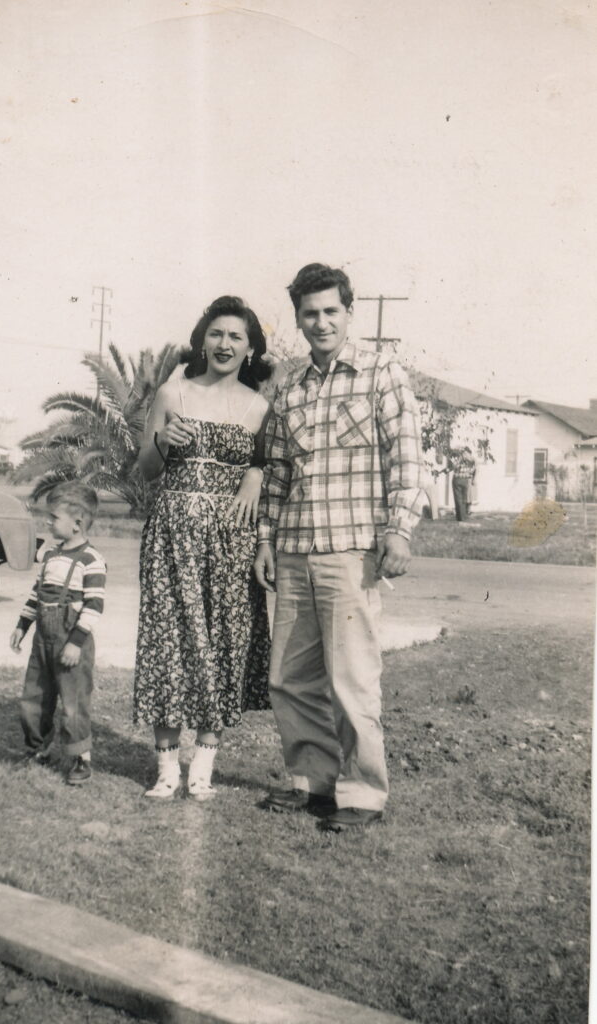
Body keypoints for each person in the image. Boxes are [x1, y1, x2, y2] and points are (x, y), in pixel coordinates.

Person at [254, 263, 426, 832]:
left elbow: (406, 459)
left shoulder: (383, 375)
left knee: (351, 679)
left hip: (352, 553)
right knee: (289, 677)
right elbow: (277, 471)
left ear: (349, 312)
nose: (321, 322)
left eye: (331, 311)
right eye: (310, 313)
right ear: (298, 319)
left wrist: (398, 529)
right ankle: (312, 781)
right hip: (295, 549)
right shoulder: (290, 383)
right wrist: (266, 541)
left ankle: (362, 794)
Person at [134, 295, 271, 801]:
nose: (225, 344)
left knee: (224, 644)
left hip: (231, 543)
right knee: (166, 642)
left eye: (237, 336)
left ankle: (204, 766)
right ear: (202, 339)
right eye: (217, 334)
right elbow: (147, 470)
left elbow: (269, 469)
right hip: (172, 534)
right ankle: (167, 768)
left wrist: (255, 472)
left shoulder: (260, 407)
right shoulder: (174, 392)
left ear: (251, 348)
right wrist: (164, 440)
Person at [10, 482, 107, 786]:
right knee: (34, 696)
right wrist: (22, 626)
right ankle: (38, 749)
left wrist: (76, 643)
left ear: (77, 524)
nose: (48, 522)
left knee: (73, 701)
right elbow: (36, 595)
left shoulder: (92, 560)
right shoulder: (51, 556)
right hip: (43, 640)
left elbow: (93, 606)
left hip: (71, 641)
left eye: (53, 518)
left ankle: (81, 758)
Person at [450, 446, 477, 522]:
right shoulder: (472, 460)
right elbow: (474, 470)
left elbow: (454, 467)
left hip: (458, 479)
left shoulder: (458, 459)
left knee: (459, 499)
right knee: (464, 499)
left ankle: (460, 518)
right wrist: (472, 477)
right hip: (465, 480)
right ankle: (463, 517)